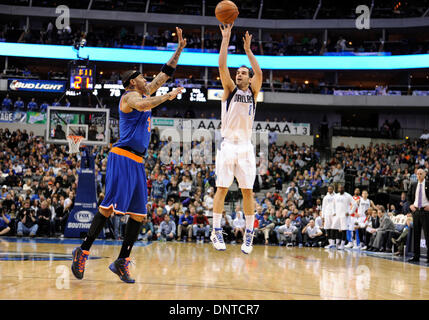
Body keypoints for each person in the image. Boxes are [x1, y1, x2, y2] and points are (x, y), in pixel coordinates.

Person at [70, 27, 186, 283]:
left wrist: (178, 49)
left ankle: (122, 260)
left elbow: (164, 75)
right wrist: (169, 95)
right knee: (109, 208)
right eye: (143, 77)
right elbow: (146, 104)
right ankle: (83, 251)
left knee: (138, 214)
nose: (148, 79)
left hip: (137, 161)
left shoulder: (143, 90)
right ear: (133, 81)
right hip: (121, 156)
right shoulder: (130, 97)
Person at [210, 23, 263, 254]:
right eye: (238, 72)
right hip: (228, 145)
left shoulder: (253, 91)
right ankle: (216, 230)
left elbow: (259, 73)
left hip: (245, 147)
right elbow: (222, 64)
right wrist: (226, 38)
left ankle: (249, 235)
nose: (238, 74)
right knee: (221, 188)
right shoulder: (230, 90)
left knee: (247, 191)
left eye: (243, 73)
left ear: (249, 78)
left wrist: (249, 51)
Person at [407, 169, 429, 263]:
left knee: (428, 235)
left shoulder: (428, 184)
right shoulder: (413, 185)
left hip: (426, 212)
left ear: (425, 174)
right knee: (416, 235)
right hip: (416, 212)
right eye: (417, 174)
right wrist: (410, 205)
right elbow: (409, 197)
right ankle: (416, 256)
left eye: (421, 174)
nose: (419, 175)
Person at [333, 184, 355, 250]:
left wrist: (350, 212)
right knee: (336, 229)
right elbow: (333, 205)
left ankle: (342, 244)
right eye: (339, 188)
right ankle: (337, 243)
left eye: (342, 188)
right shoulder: (336, 196)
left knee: (343, 230)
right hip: (337, 215)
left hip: (344, 216)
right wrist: (334, 212)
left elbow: (355, 204)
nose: (340, 189)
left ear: (344, 189)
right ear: (338, 189)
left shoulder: (348, 196)